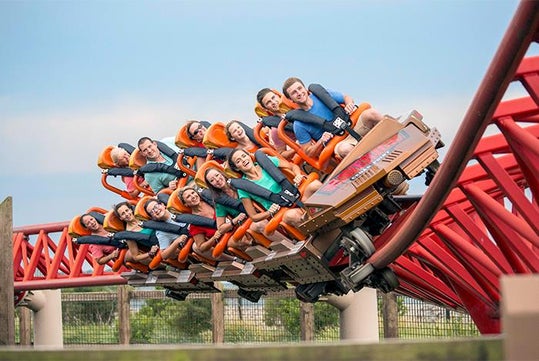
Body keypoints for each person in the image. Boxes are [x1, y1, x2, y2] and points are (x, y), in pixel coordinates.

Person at [282, 77, 383, 159]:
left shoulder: (321, 94)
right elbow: (309, 152)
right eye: (294, 92)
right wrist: (321, 141)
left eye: (299, 88)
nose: (299, 93)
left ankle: (397, 135)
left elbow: (346, 97)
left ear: (305, 88)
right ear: (291, 99)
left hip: (353, 126)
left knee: (372, 114)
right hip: (339, 142)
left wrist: (349, 104)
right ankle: (374, 164)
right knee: (344, 149)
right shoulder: (299, 125)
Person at [227, 148, 322, 228]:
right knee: (292, 215)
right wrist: (269, 213)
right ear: (236, 168)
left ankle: (332, 210)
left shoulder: (266, 162)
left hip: (297, 196)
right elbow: (253, 216)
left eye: (244, 156)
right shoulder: (243, 188)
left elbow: (293, 166)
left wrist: (297, 175)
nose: (243, 160)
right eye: (238, 161)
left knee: (315, 185)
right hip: (283, 210)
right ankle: (319, 228)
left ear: (249, 156)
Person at [203, 165, 284, 243]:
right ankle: (287, 244)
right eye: (212, 180)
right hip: (249, 222)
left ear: (222, 174)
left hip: (264, 209)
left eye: (217, 175)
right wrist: (235, 220)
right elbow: (220, 228)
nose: (217, 179)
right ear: (211, 185)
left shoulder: (238, 182)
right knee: (259, 224)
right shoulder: (220, 202)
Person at [177, 186, 236, 260]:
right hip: (227, 239)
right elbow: (201, 247)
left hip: (236, 224)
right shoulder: (194, 223)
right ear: (186, 204)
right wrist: (214, 238)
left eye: (193, 193)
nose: (193, 196)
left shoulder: (210, 200)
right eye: (188, 196)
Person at [113, 201, 159, 265]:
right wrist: (150, 253)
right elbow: (136, 257)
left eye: (127, 210)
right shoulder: (129, 234)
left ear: (131, 210)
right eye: (123, 214)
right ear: (121, 218)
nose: (126, 214)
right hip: (158, 246)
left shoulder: (142, 215)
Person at [255, 88, 296, 159]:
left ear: (277, 96)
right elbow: (281, 154)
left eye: (273, 97)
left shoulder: (295, 104)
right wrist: (296, 148)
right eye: (268, 102)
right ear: (265, 109)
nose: (273, 102)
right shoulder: (275, 129)